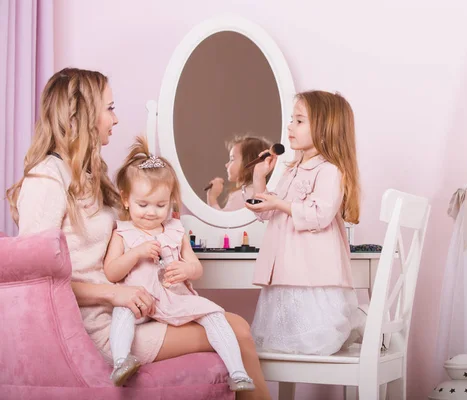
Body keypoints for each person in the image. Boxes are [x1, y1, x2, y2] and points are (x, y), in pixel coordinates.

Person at [6, 68, 269, 399]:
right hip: (98, 330)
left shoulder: (88, 175)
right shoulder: (47, 180)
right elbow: (38, 288)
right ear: (81, 115)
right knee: (239, 332)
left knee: (236, 332)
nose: (115, 120)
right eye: (110, 108)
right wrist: (114, 295)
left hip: (129, 312)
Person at [103, 136, 255, 390]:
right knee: (122, 312)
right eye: (143, 205)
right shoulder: (123, 232)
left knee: (215, 316)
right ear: (126, 199)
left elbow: (196, 267)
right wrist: (137, 253)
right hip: (140, 301)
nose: (152, 212)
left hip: (175, 298)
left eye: (161, 205)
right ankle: (121, 361)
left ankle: (238, 373)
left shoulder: (175, 230)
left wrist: (186, 269)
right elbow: (111, 271)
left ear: (171, 201)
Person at [245, 90, 363, 355]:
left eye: (299, 121)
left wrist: (278, 204)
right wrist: (259, 178)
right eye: (291, 120)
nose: (290, 126)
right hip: (287, 271)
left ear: (324, 128)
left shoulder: (330, 170)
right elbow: (269, 212)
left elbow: (319, 214)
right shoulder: (293, 169)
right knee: (284, 339)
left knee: (311, 338)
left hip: (312, 272)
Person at [207, 135, 272, 211]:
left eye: (232, 159)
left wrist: (212, 197)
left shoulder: (241, 195)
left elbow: (222, 221)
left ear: (249, 163)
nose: (226, 165)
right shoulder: (264, 192)